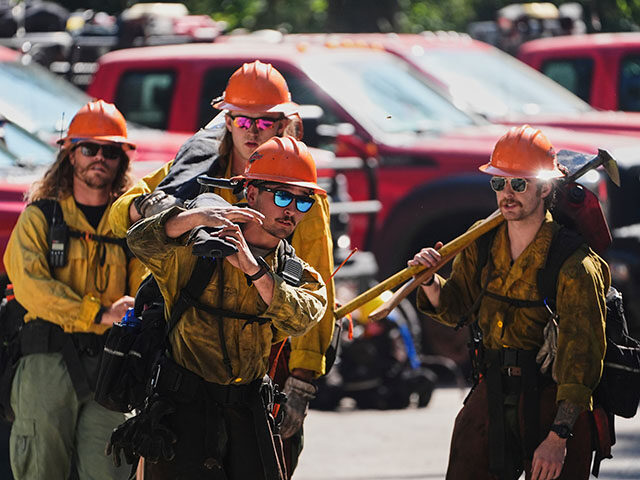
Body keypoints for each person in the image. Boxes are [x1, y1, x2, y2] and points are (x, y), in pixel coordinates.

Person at [108, 59, 335, 475]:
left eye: (265, 123)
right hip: (186, 357)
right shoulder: (195, 171)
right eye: (243, 121)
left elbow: (315, 293)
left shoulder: (301, 193)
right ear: (226, 119)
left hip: (263, 357)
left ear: (284, 123)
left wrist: (302, 379)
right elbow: (126, 215)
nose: (253, 131)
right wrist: (163, 211)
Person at [409, 125, 610, 480]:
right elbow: (456, 305)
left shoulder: (575, 265)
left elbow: (582, 360)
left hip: (554, 399)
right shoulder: (482, 241)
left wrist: (558, 437)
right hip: (494, 388)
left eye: (519, 184)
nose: (506, 194)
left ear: (546, 188)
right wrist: (428, 282)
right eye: (498, 183)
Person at [3, 99, 147, 480]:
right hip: (46, 362)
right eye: (89, 148)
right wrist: (100, 314)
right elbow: (31, 288)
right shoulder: (41, 216)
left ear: (122, 160)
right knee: (40, 468)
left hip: (113, 366)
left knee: (110, 468)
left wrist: (134, 310)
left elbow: (147, 292)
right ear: (70, 154)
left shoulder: (129, 226)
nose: (100, 157)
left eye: (110, 151)